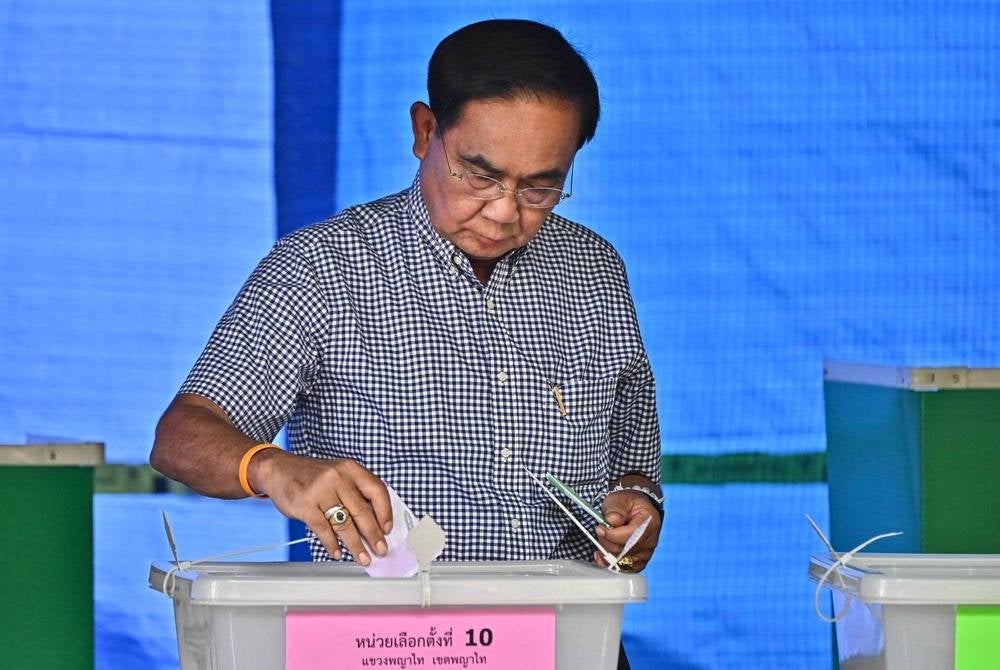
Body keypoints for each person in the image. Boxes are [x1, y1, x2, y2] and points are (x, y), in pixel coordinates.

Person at [150, 19, 662, 665]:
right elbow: (181, 436)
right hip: (384, 643)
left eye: (540, 186)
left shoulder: (595, 272)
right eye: (480, 174)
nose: (506, 211)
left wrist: (636, 507)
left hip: (567, 642)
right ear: (425, 132)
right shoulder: (322, 268)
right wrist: (273, 469)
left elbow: (634, 464)